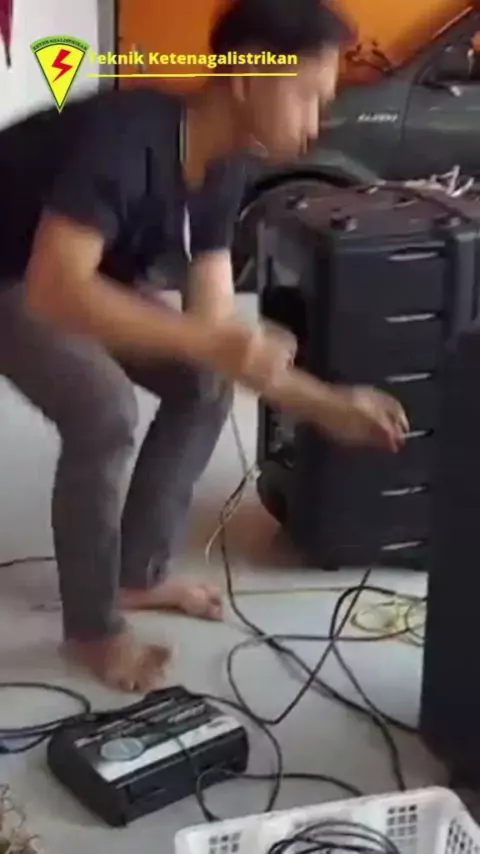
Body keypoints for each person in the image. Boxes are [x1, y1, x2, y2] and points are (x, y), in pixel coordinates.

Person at [0, 0, 408, 692]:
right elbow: (53, 288)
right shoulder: (129, 137)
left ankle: (136, 574)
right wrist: (216, 341)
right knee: (102, 410)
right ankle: (93, 631)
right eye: (308, 97)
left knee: (203, 382)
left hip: (58, 268)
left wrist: (327, 404)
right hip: (13, 271)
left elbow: (216, 338)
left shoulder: (224, 167)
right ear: (248, 79)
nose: (316, 124)